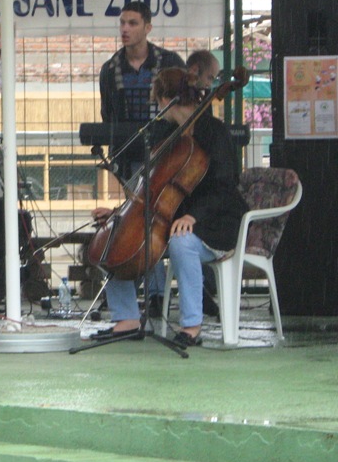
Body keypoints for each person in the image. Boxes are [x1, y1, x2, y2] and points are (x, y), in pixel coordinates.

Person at [91, 67, 248, 348]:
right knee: (115, 236)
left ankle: (191, 326)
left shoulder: (214, 133)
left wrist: (194, 216)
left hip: (216, 222)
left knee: (182, 243)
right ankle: (126, 319)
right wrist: (121, 212)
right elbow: (155, 186)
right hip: (169, 217)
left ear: (165, 100)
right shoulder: (166, 133)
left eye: (158, 101)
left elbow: (225, 186)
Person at [98, 1, 185, 315]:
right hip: (131, 158)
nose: (125, 29)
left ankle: (159, 292)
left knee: (158, 222)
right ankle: (155, 292)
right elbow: (108, 117)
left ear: (148, 27)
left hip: (168, 155)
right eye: (122, 22)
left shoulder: (170, 62)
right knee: (141, 224)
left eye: (132, 23)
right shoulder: (110, 69)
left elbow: (183, 107)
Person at [185, 49, 222, 318]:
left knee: (185, 238)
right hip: (189, 200)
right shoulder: (183, 103)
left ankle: (200, 297)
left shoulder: (209, 125)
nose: (210, 85)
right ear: (195, 71)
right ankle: (154, 295)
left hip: (203, 203)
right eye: (209, 77)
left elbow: (221, 184)